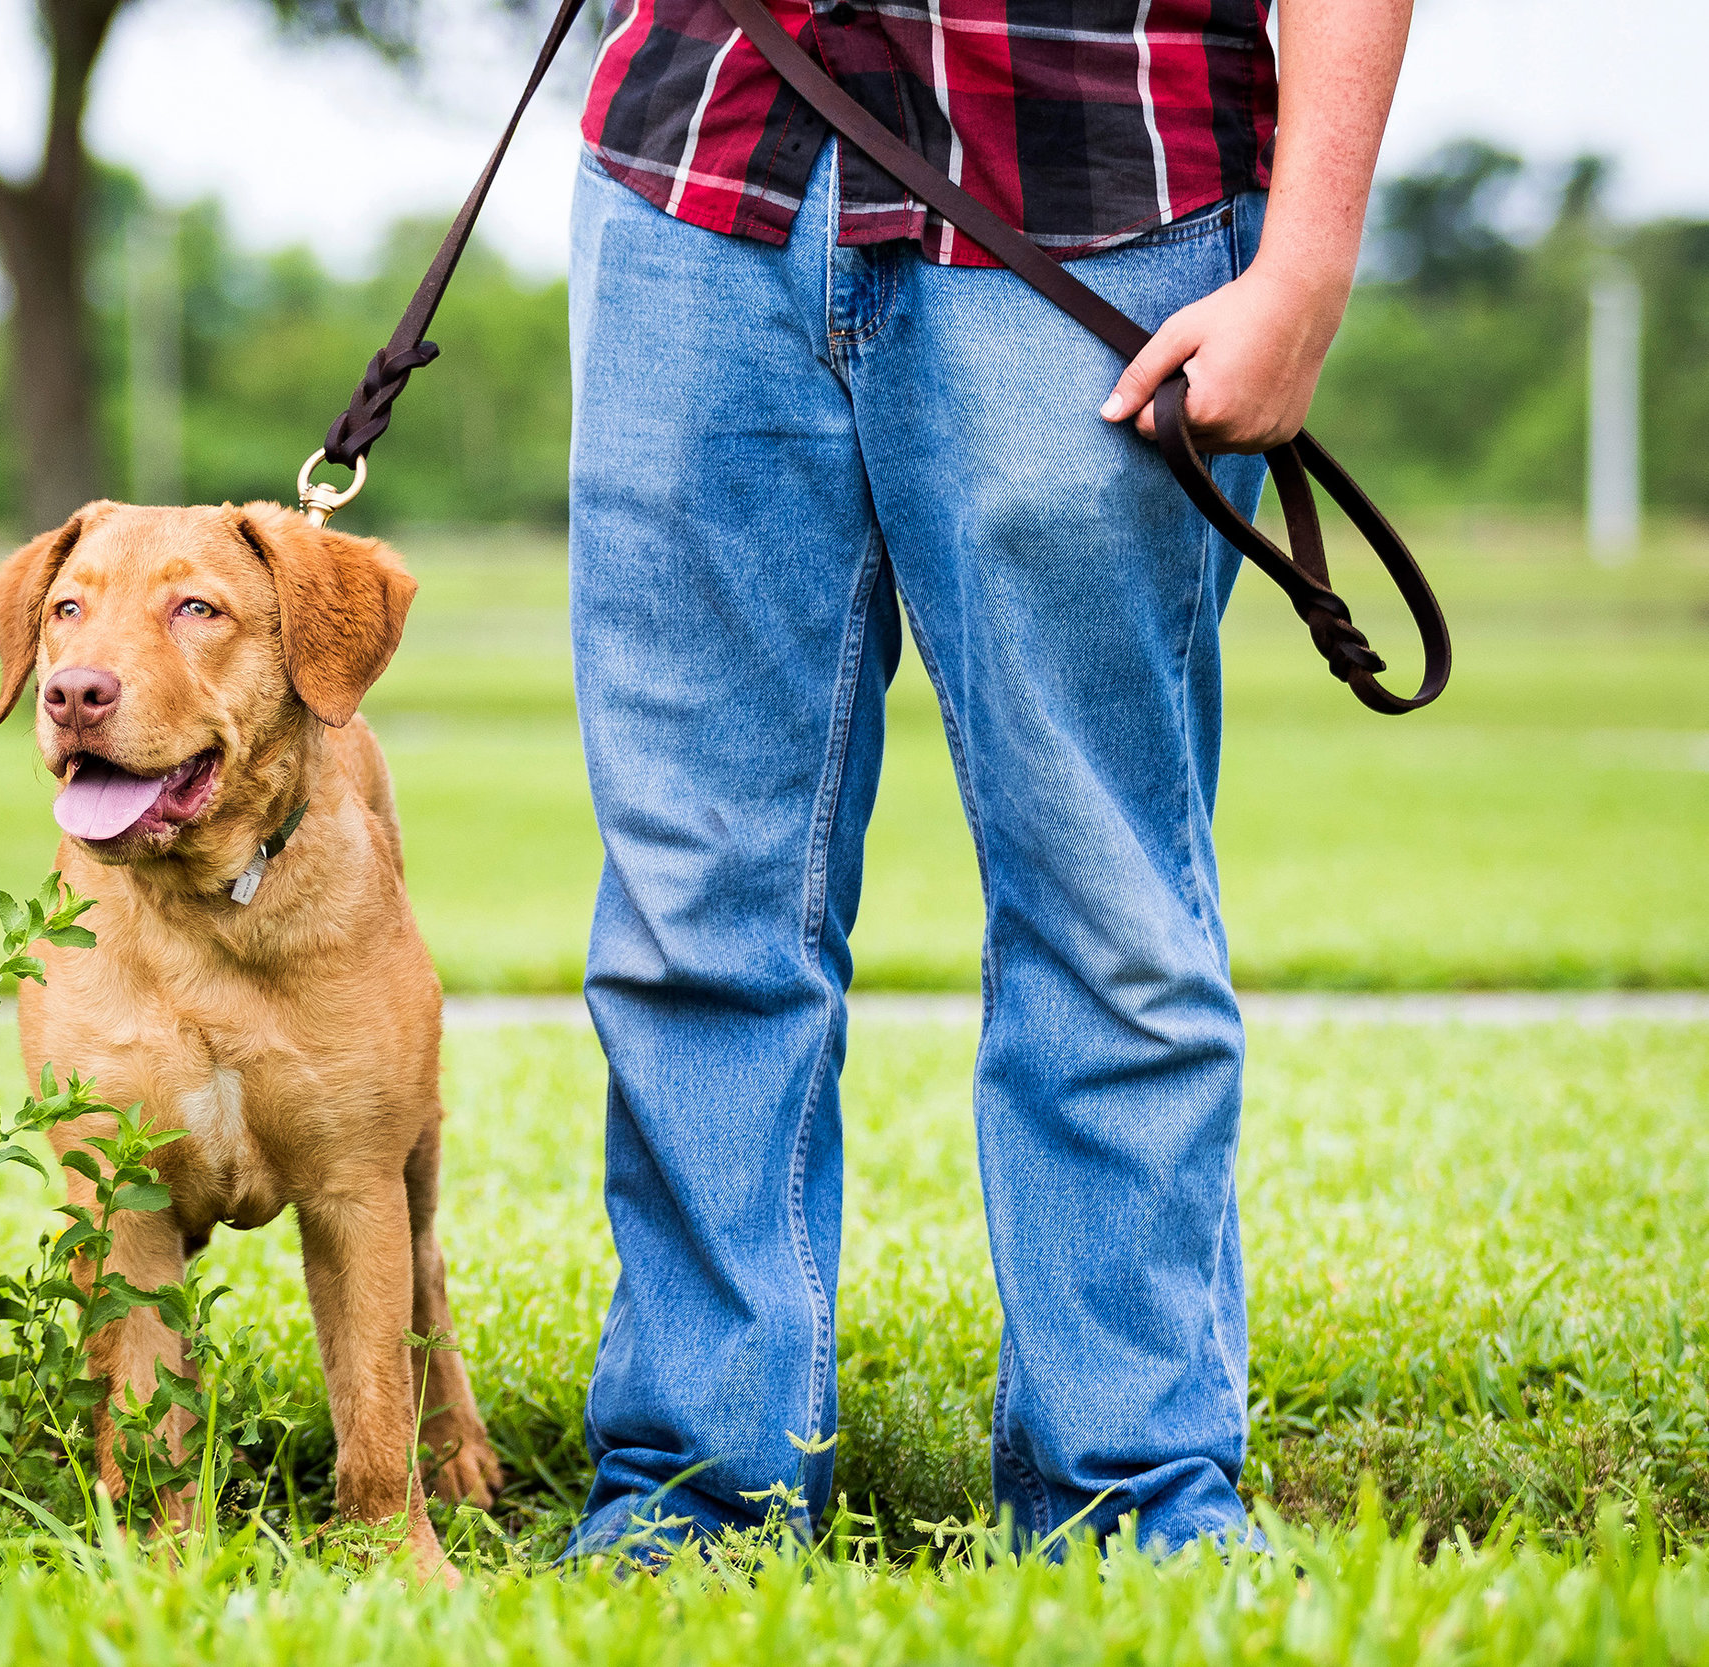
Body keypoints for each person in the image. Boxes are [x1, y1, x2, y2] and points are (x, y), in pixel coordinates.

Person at [563, 0, 1410, 1557]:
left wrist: (1306, 268)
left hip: (1100, 174)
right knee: (694, 909)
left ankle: (1130, 1494)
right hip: (700, 170)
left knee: (1107, 903)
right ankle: (691, 1500)